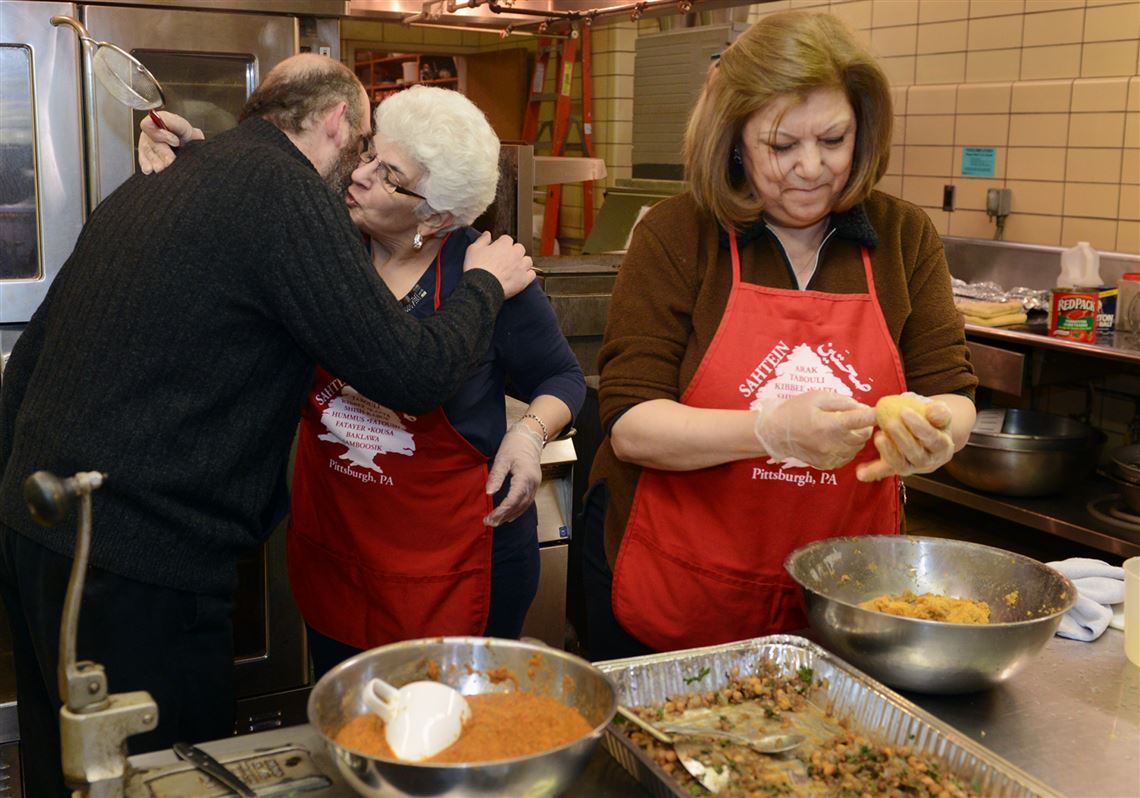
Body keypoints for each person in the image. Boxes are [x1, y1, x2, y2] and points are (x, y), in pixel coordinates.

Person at [0, 55, 533, 798]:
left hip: (41, 530)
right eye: (367, 145)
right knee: (160, 782)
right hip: (143, 564)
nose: (363, 172)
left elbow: (27, 361)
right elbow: (413, 373)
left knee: (74, 776)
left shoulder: (177, 176)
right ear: (339, 120)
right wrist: (484, 283)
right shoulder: (282, 193)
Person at [141, 85, 585, 676]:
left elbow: (562, 375)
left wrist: (530, 433)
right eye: (370, 153)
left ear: (437, 213)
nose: (362, 175)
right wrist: (195, 152)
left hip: (452, 561)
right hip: (338, 546)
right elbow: (256, 193)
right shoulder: (325, 239)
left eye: (390, 175)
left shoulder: (488, 272)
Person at [582, 10, 978, 661]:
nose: (811, 167)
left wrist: (938, 433)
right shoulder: (677, 237)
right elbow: (631, 423)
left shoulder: (904, 239)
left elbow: (953, 393)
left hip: (845, 593)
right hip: (680, 583)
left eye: (833, 140)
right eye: (782, 145)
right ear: (734, 137)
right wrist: (770, 431)